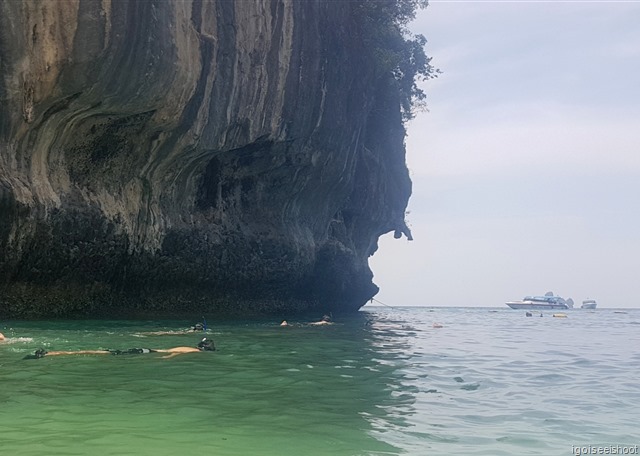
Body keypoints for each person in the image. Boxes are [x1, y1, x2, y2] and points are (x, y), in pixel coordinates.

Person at [23, 338, 215, 360]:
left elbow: (176, 349)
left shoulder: (191, 346)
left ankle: (52, 353)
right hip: (146, 352)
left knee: (106, 352)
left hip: (146, 349)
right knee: (106, 353)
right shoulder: (194, 351)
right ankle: (51, 354)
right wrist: (167, 359)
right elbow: (176, 353)